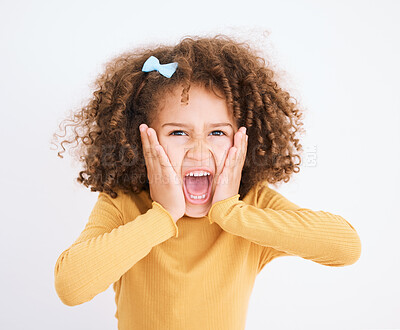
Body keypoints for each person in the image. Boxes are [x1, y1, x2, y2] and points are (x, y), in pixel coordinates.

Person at [52, 34, 361, 330]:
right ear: (143, 141)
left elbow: (346, 246)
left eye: (217, 133)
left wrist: (231, 212)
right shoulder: (124, 204)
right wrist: (163, 216)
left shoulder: (249, 206)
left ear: (243, 142)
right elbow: (71, 286)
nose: (198, 150)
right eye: (177, 133)